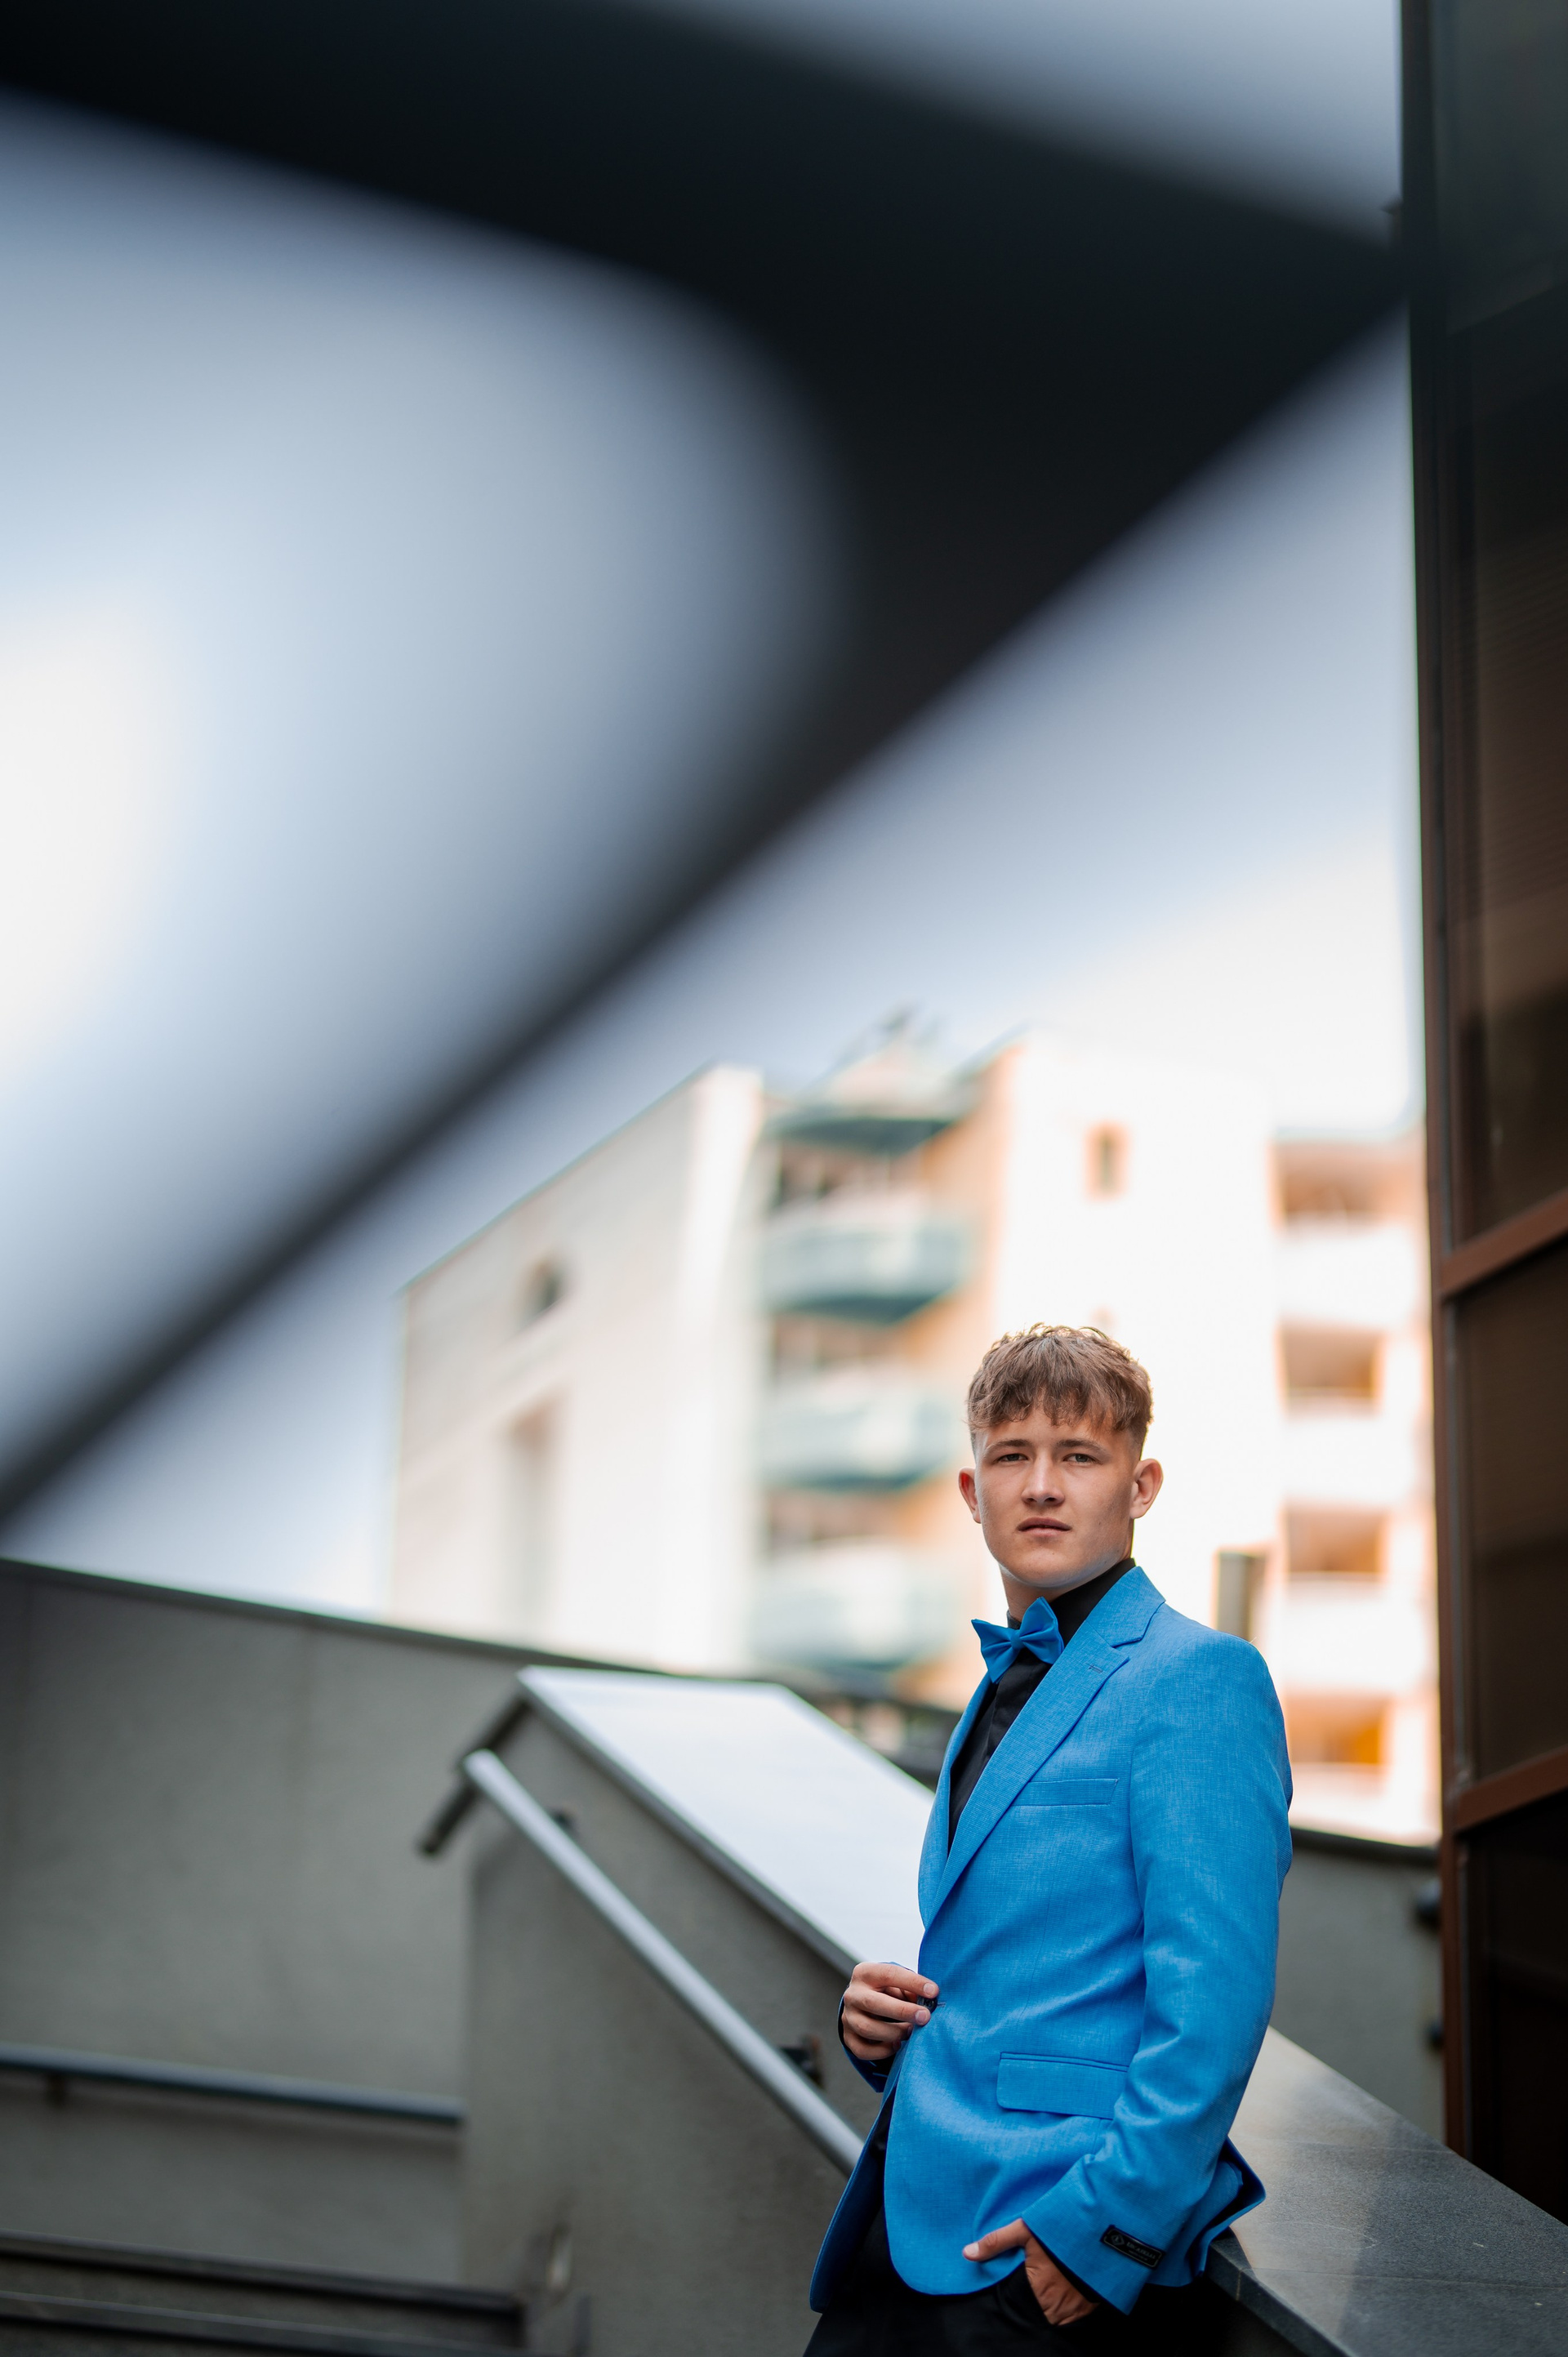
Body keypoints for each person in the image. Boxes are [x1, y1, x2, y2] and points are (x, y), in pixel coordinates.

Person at [805, 1324, 1290, 2354]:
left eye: (1079, 1456)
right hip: (908, 2212)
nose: (1041, 1486)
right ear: (971, 1490)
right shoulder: (995, 1689)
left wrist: (1103, 2234)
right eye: (1011, 1456)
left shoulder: (1200, 1678)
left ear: (1141, 1485)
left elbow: (1213, 2001)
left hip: (1048, 2239)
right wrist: (885, 2028)